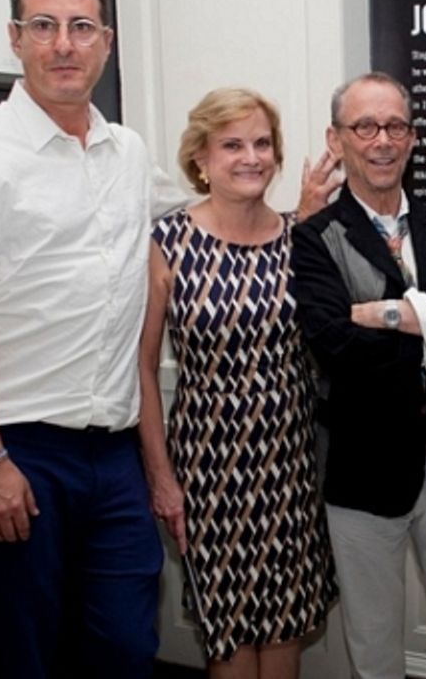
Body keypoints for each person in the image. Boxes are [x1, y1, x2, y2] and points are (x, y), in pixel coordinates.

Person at [0, 0, 189, 678]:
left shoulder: (125, 153)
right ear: (15, 37)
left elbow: (203, 215)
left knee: (126, 649)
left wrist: (303, 219)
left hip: (111, 451)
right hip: (11, 448)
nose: (64, 43)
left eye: (81, 26)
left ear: (106, 41)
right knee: (21, 654)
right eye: (44, 25)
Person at [291, 72, 426, 679]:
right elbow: (334, 345)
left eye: (395, 126)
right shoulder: (314, 239)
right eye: (365, 126)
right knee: (375, 649)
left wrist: (392, 314)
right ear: (337, 140)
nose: (381, 140)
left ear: (412, 139)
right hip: (363, 474)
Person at [137, 88, 339, 679]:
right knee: (227, 638)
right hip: (207, 472)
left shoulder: (299, 237)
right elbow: (141, 369)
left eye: (261, 143)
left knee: (283, 632)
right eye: (231, 144)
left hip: (290, 469)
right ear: (200, 159)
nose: (250, 157)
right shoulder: (167, 241)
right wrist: (162, 478)